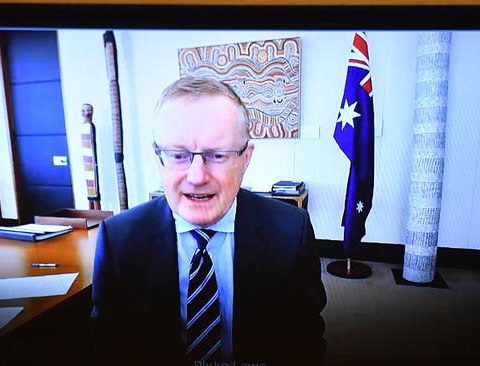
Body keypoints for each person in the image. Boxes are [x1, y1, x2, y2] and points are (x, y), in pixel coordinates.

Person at [91, 76, 326, 366]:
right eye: (178, 155)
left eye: (217, 155)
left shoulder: (292, 234)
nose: (197, 176)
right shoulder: (119, 240)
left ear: (245, 158)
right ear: (158, 159)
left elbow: (306, 345)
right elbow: (109, 349)